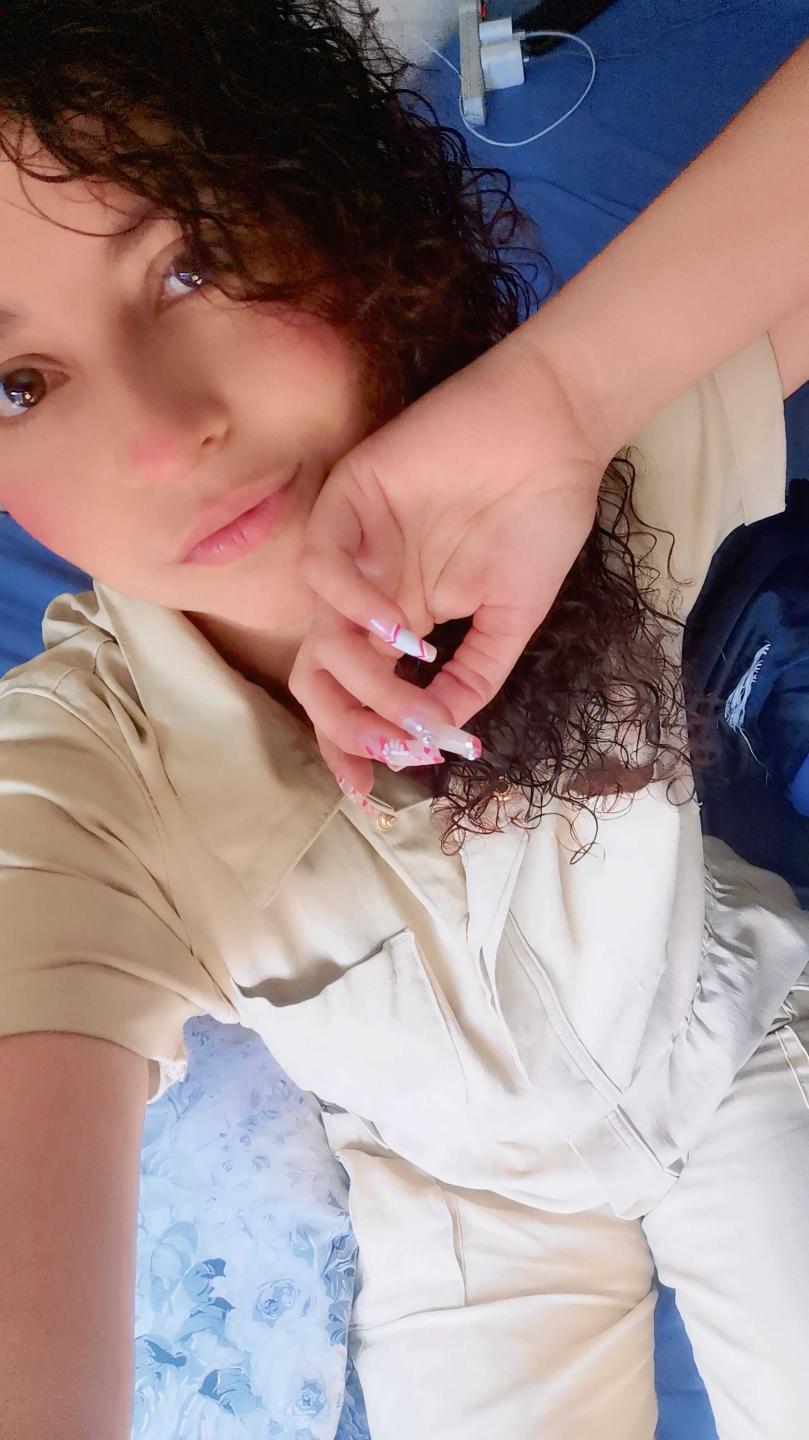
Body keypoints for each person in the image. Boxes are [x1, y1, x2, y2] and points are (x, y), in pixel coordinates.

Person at [0, 4, 806, 1439]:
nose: (164, 433)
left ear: (330, 202)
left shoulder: (578, 467)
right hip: (463, 1215)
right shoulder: (78, 791)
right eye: (15, 387)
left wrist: (568, 393)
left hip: (730, 1034)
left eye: (189, 261)